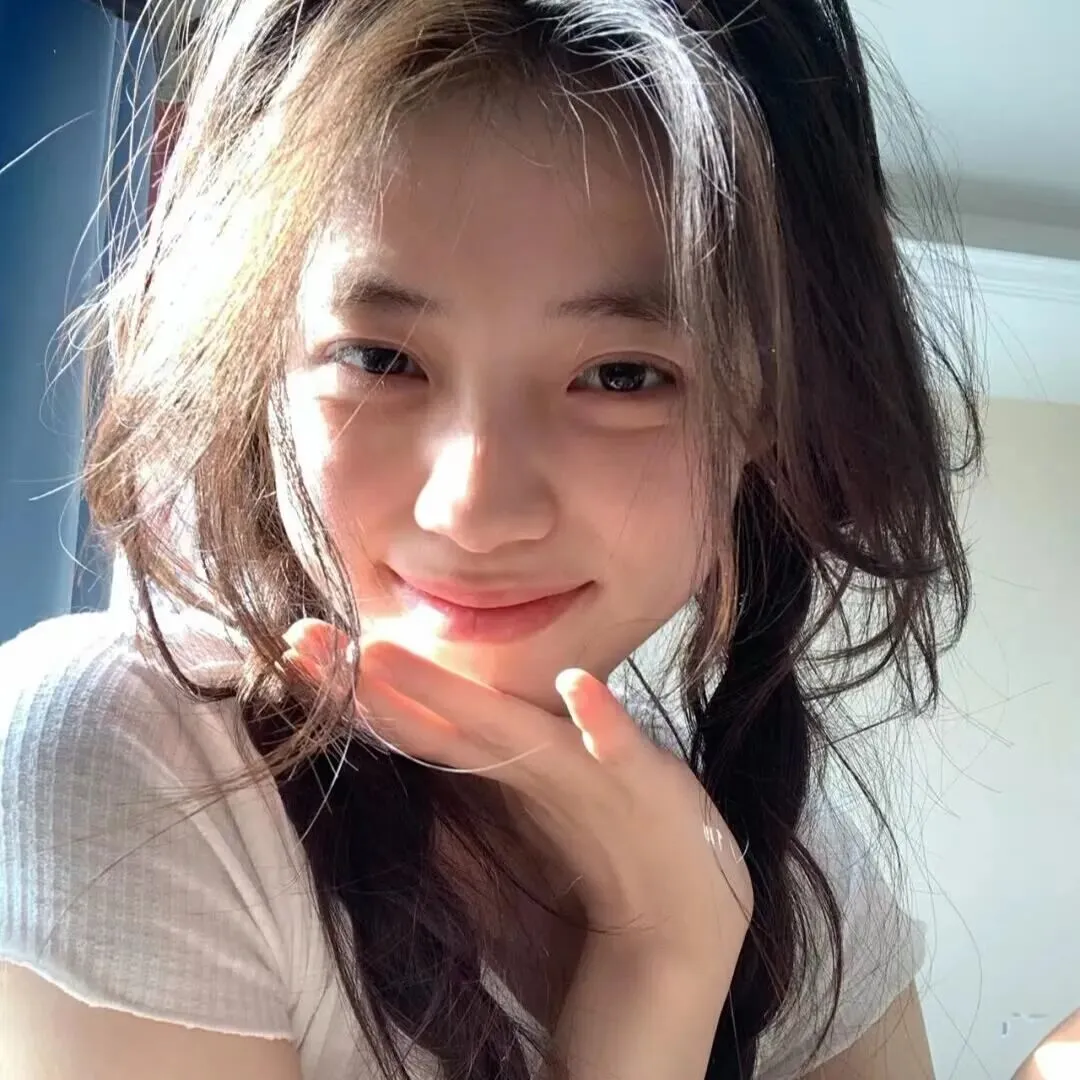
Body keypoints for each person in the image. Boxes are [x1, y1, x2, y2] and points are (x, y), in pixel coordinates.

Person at [0, 0, 981, 1077]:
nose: (470, 508)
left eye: (623, 376)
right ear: (260, 364)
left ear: (766, 415)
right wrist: (658, 969)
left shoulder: (789, 861)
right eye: (379, 359)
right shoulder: (125, 756)